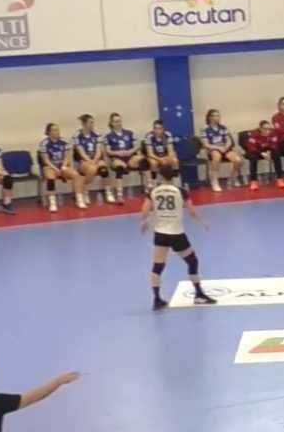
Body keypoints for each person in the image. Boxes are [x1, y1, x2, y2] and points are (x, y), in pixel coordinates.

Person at [141, 171, 215, 310]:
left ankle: (157, 299)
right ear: (173, 177)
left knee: (157, 266)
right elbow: (191, 211)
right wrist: (201, 222)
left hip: (160, 233)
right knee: (192, 261)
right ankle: (199, 294)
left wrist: (145, 222)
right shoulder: (180, 191)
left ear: (160, 177)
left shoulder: (153, 192)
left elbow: (145, 211)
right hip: (176, 234)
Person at [37, 122, 84, 212]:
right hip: (50, 166)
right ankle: (53, 202)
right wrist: (55, 169)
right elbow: (46, 160)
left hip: (62, 165)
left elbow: (66, 157)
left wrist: (63, 166)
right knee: (50, 178)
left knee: (75, 175)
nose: (57, 132)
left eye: (58, 130)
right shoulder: (44, 144)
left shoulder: (64, 142)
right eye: (54, 130)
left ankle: (79, 199)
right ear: (49, 132)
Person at [73, 114, 113, 205]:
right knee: (92, 169)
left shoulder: (97, 134)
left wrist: (95, 160)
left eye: (93, 123)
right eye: (90, 123)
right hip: (83, 160)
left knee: (103, 169)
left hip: (95, 158)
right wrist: (90, 161)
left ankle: (108, 192)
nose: (92, 125)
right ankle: (85, 191)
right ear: (84, 124)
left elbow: (99, 150)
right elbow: (81, 152)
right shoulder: (77, 136)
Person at [200, 109, 243, 192]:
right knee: (217, 157)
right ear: (210, 117)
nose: (218, 117)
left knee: (238, 160)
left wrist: (226, 147)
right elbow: (206, 144)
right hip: (213, 148)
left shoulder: (223, 128)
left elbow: (229, 140)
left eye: (219, 115)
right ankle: (214, 181)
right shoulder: (205, 129)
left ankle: (232, 178)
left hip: (224, 148)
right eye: (216, 116)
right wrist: (218, 148)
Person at [104, 113, 145, 197]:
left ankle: (149, 187)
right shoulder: (108, 136)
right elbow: (108, 151)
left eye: (119, 121)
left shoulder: (129, 133)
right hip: (117, 158)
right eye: (116, 122)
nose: (118, 123)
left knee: (144, 161)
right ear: (111, 123)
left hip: (130, 157)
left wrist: (130, 151)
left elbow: (137, 146)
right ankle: (119, 193)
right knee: (120, 167)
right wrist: (117, 153)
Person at [242, 120, 280, 192]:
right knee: (253, 158)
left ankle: (279, 179)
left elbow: (274, 144)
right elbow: (252, 148)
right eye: (265, 129)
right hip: (253, 150)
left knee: (276, 154)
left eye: (268, 129)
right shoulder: (254, 134)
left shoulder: (273, 133)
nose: (267, 131)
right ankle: (253, 181)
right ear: (260, 129)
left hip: (265, 150)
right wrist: (261, 154)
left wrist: (269, 152)